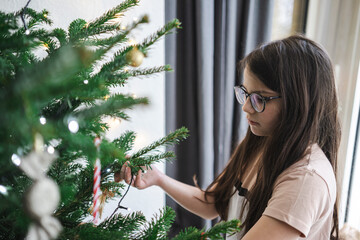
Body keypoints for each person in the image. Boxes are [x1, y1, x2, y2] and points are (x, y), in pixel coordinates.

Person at [115, 35, 340, 240]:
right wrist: (158, 178)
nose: (246, 108)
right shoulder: (263, 141)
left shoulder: (305, 180)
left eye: (259, 98)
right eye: (245, 94)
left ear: (299, 102)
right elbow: (214, 203)